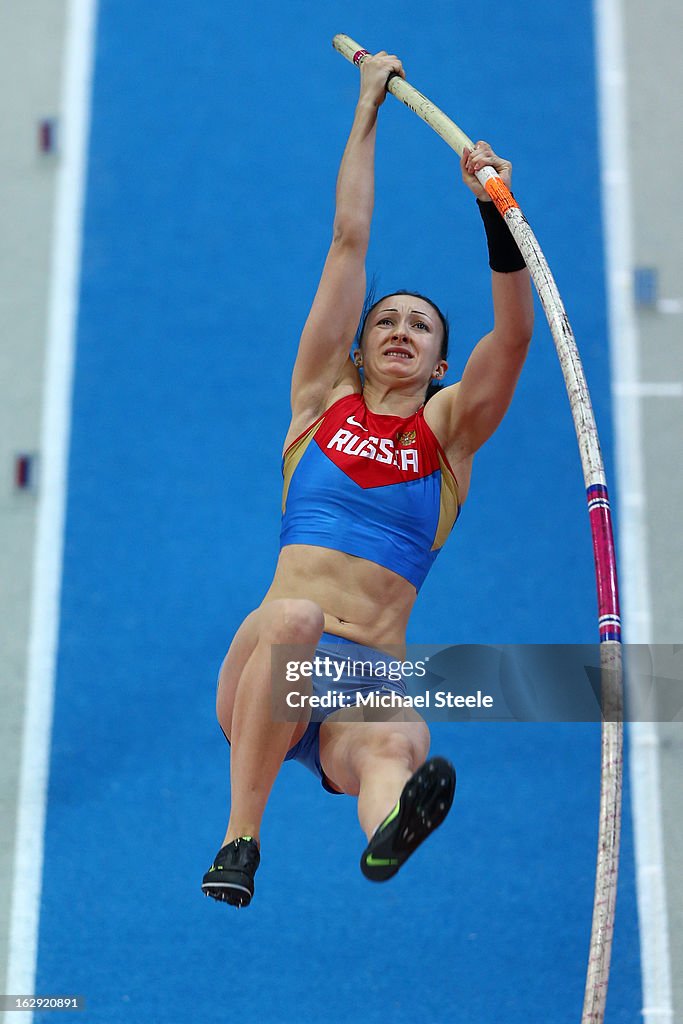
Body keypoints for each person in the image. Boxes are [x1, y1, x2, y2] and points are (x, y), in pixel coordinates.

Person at [201, 51, 534, 907]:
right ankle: (241, 838)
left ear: (439, 358)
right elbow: (349, 238)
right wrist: (366, 107)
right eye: (385, 320)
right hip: (268, 667)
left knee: (399, 741)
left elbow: (513, 341)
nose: (398, 331)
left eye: (419, 326)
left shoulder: (448, 433)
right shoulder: (320, 399)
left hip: (360, 682)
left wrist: (495, 212)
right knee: (296, 613)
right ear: (360, 344)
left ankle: (387, 831)